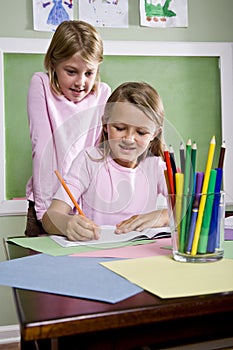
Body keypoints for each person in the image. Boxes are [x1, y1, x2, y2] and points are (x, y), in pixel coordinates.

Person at [42, 81, 169, 241]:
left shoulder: (156, 167)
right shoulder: (89, 161)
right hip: (95, 254)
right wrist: (67, 224)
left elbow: (194, 210)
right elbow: (50, 217)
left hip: (139, 258)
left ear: (154, 134)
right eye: (120, 128)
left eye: (141, 132)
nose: (129, 139)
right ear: (105, 125)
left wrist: (164, 216)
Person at [25, 20, 111, 237]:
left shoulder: (102, 94)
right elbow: (41, 148)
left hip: (85, 204)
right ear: (53, 64)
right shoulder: (41, 85)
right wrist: (46, 213)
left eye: (89, 73)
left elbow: (100, 153)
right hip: (47, 203)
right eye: (71, 71)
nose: (81, 82)